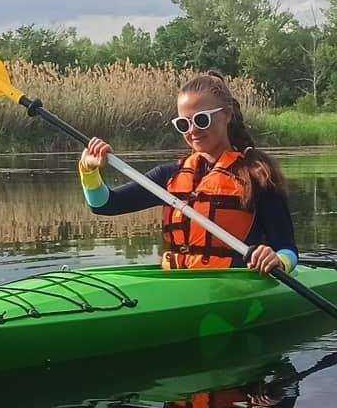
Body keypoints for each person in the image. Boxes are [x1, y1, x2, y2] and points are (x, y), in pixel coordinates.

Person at [77, 69, 299, 274]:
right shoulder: (168, 176)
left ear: (227, 115)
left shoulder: (258, 175)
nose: (192, 131)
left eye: (202, 120)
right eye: (184, 124)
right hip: (179, 282)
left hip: (235, 287)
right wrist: (89, 170)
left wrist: (277, 260)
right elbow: (104, 204)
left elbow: (287, 249)